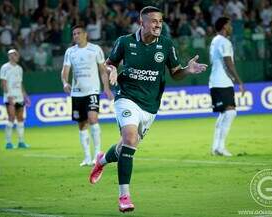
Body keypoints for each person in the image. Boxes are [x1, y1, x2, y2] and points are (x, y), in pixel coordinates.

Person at [89, 6, 207, 213]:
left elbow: (175, 73)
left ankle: (102, 160)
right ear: (141, 23)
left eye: (160, 21)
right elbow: (108, 65)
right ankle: (124, 196)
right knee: (130, 138)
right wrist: (113, 70)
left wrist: (187, 70)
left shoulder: (166, 44)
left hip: (150, 105)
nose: (158, 25)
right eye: (153, 21)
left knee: (125, 147)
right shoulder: (124, 42)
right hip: (126, 97)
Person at [61, 25, 113, 167]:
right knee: (82, 124)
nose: (76, 36)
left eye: (78, 33)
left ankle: (97, 155)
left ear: (85, 35)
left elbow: (103, 70)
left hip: (92, 91)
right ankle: (87, 157)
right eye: (74, 34)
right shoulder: (70, 52)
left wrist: (106, 88)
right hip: (77, 93)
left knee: (93, 118)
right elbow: (65, 71)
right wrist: (65, 82)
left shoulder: (95, 49)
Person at [209, 17, 245, 157]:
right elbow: (228, 62)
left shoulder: (215, 40)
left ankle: (216, 147)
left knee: (225, 113)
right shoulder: (224, 42)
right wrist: (239, 81)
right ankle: (220, 147)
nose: (231, 27)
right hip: (221, 82)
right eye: (229, 25)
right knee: (230, 112)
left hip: (217, 81)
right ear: (224, 26)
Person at [0, 49, 31, 149]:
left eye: (16, 55)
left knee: (20, 118)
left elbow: (20, 83)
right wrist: (8, 95)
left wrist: (25, 96)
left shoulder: (19, 69)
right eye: (12, 55)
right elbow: (3, 83)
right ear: (9, 56)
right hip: (10, 97)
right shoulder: (5, 67)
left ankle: (21, 142)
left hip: (19, 97)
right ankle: (8, 142)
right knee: (11, 118)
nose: (14, 56)